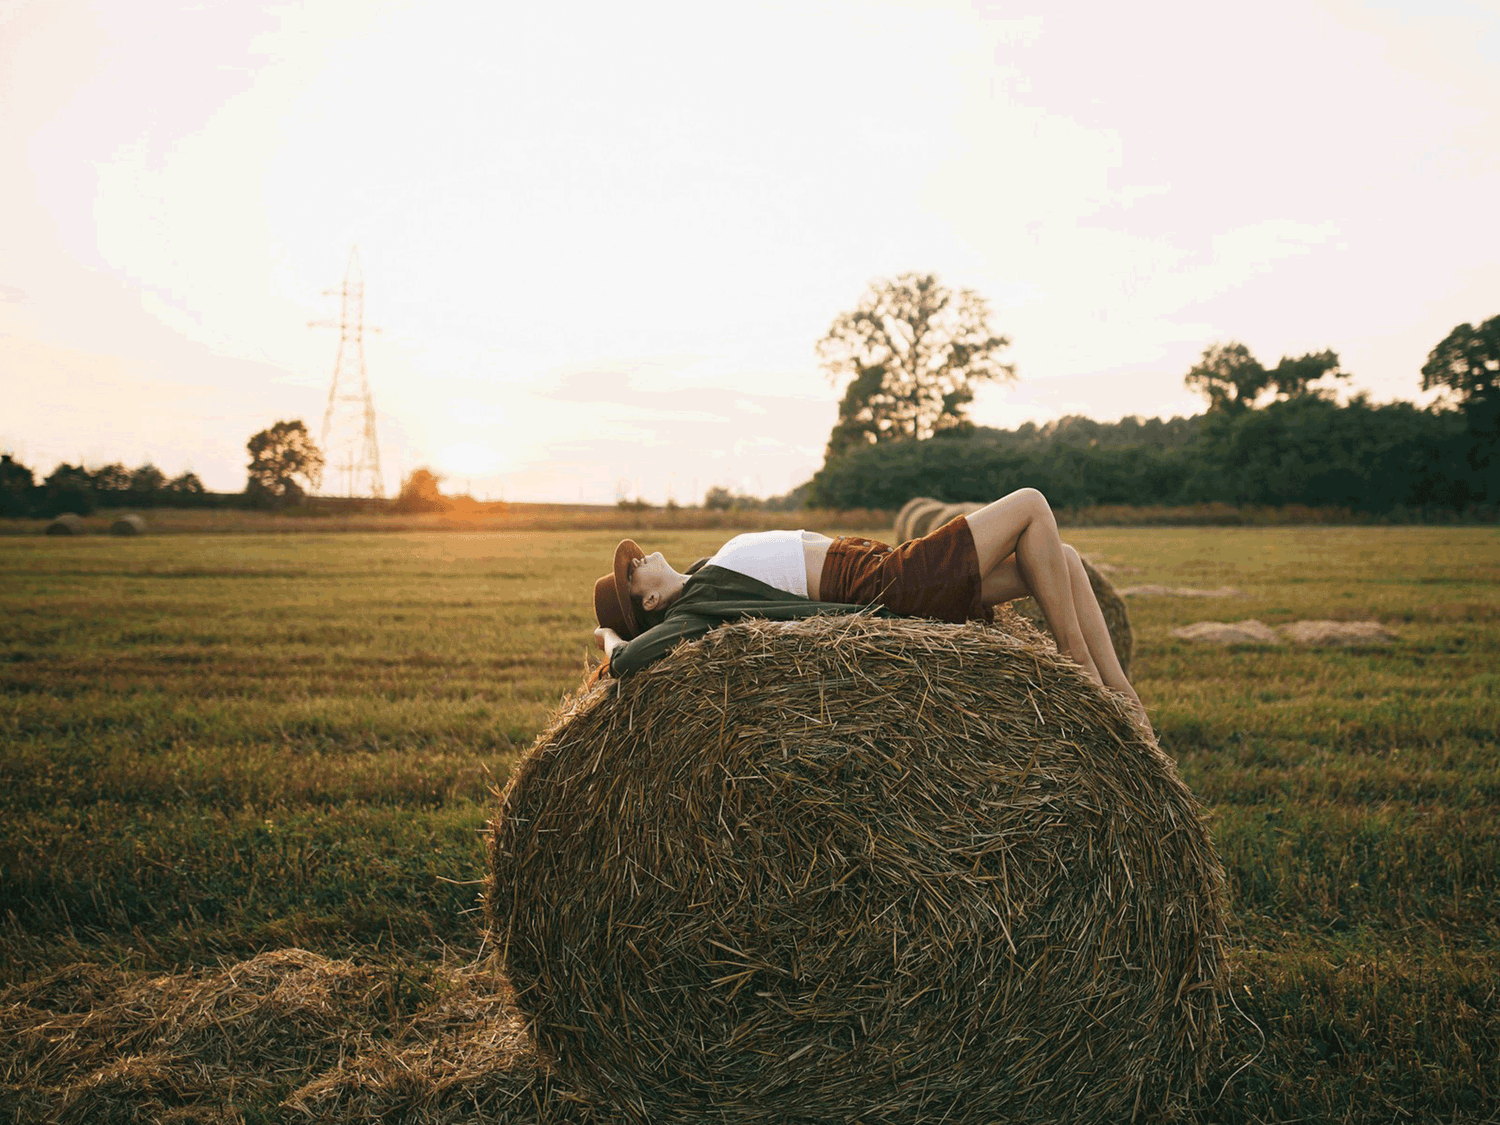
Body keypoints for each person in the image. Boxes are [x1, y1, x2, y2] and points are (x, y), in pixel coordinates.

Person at [593, 488, 1146, 725]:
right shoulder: (697, 606)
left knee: (1064, 560)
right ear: (651, 600)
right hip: (889, 583)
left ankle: (1122, 701)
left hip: (883, 564)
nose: (640, 559)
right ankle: (1078, 664)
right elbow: (627, 661)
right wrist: (610, 638)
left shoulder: (704, 571)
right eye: (633, 571)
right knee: (1030, 504)